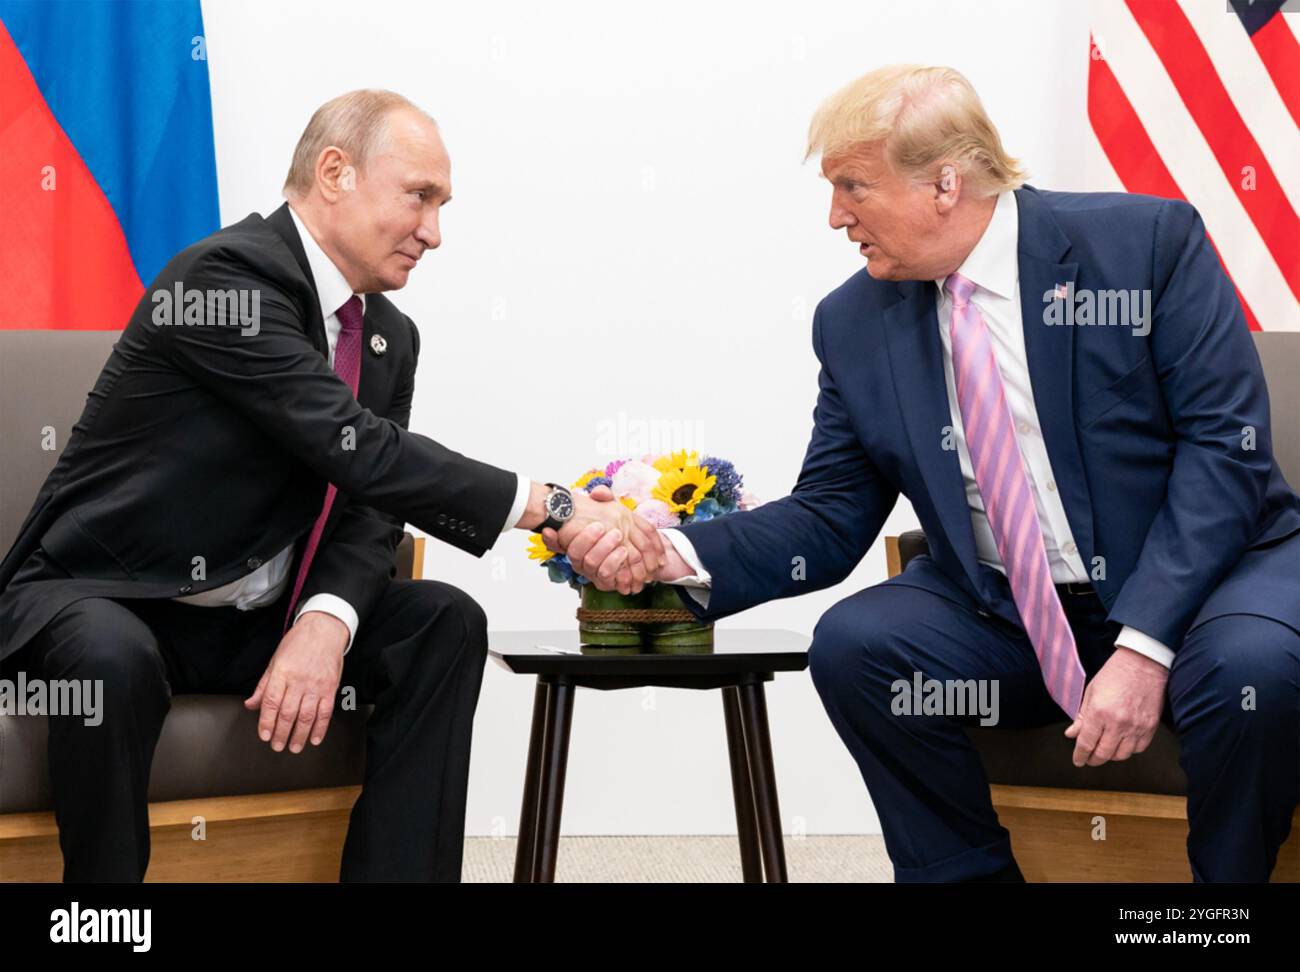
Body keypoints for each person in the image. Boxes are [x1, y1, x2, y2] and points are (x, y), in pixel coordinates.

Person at [556, 65, 1300, 882]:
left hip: (1207, 587)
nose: (835, 216)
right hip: (1009, 610)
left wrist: (1145, 644)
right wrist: (678, 555)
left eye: (853, 187)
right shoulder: (853, 321)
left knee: (1249, 674)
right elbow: (832, 513)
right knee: (860, 645)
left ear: (945, 183)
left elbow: (1223, 455)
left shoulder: (1146, 247)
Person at [0, 89, 663, 882]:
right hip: (112, 597)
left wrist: (328, 620)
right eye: (420, 197)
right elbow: (362, 451)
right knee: (112, 657)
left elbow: (369, 505)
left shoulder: (387, 335)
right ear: (335, 172)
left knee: (442, 623)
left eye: (443, 205)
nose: (435, 232)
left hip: (252, 621)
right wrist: (551, 505)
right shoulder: (224, 279)